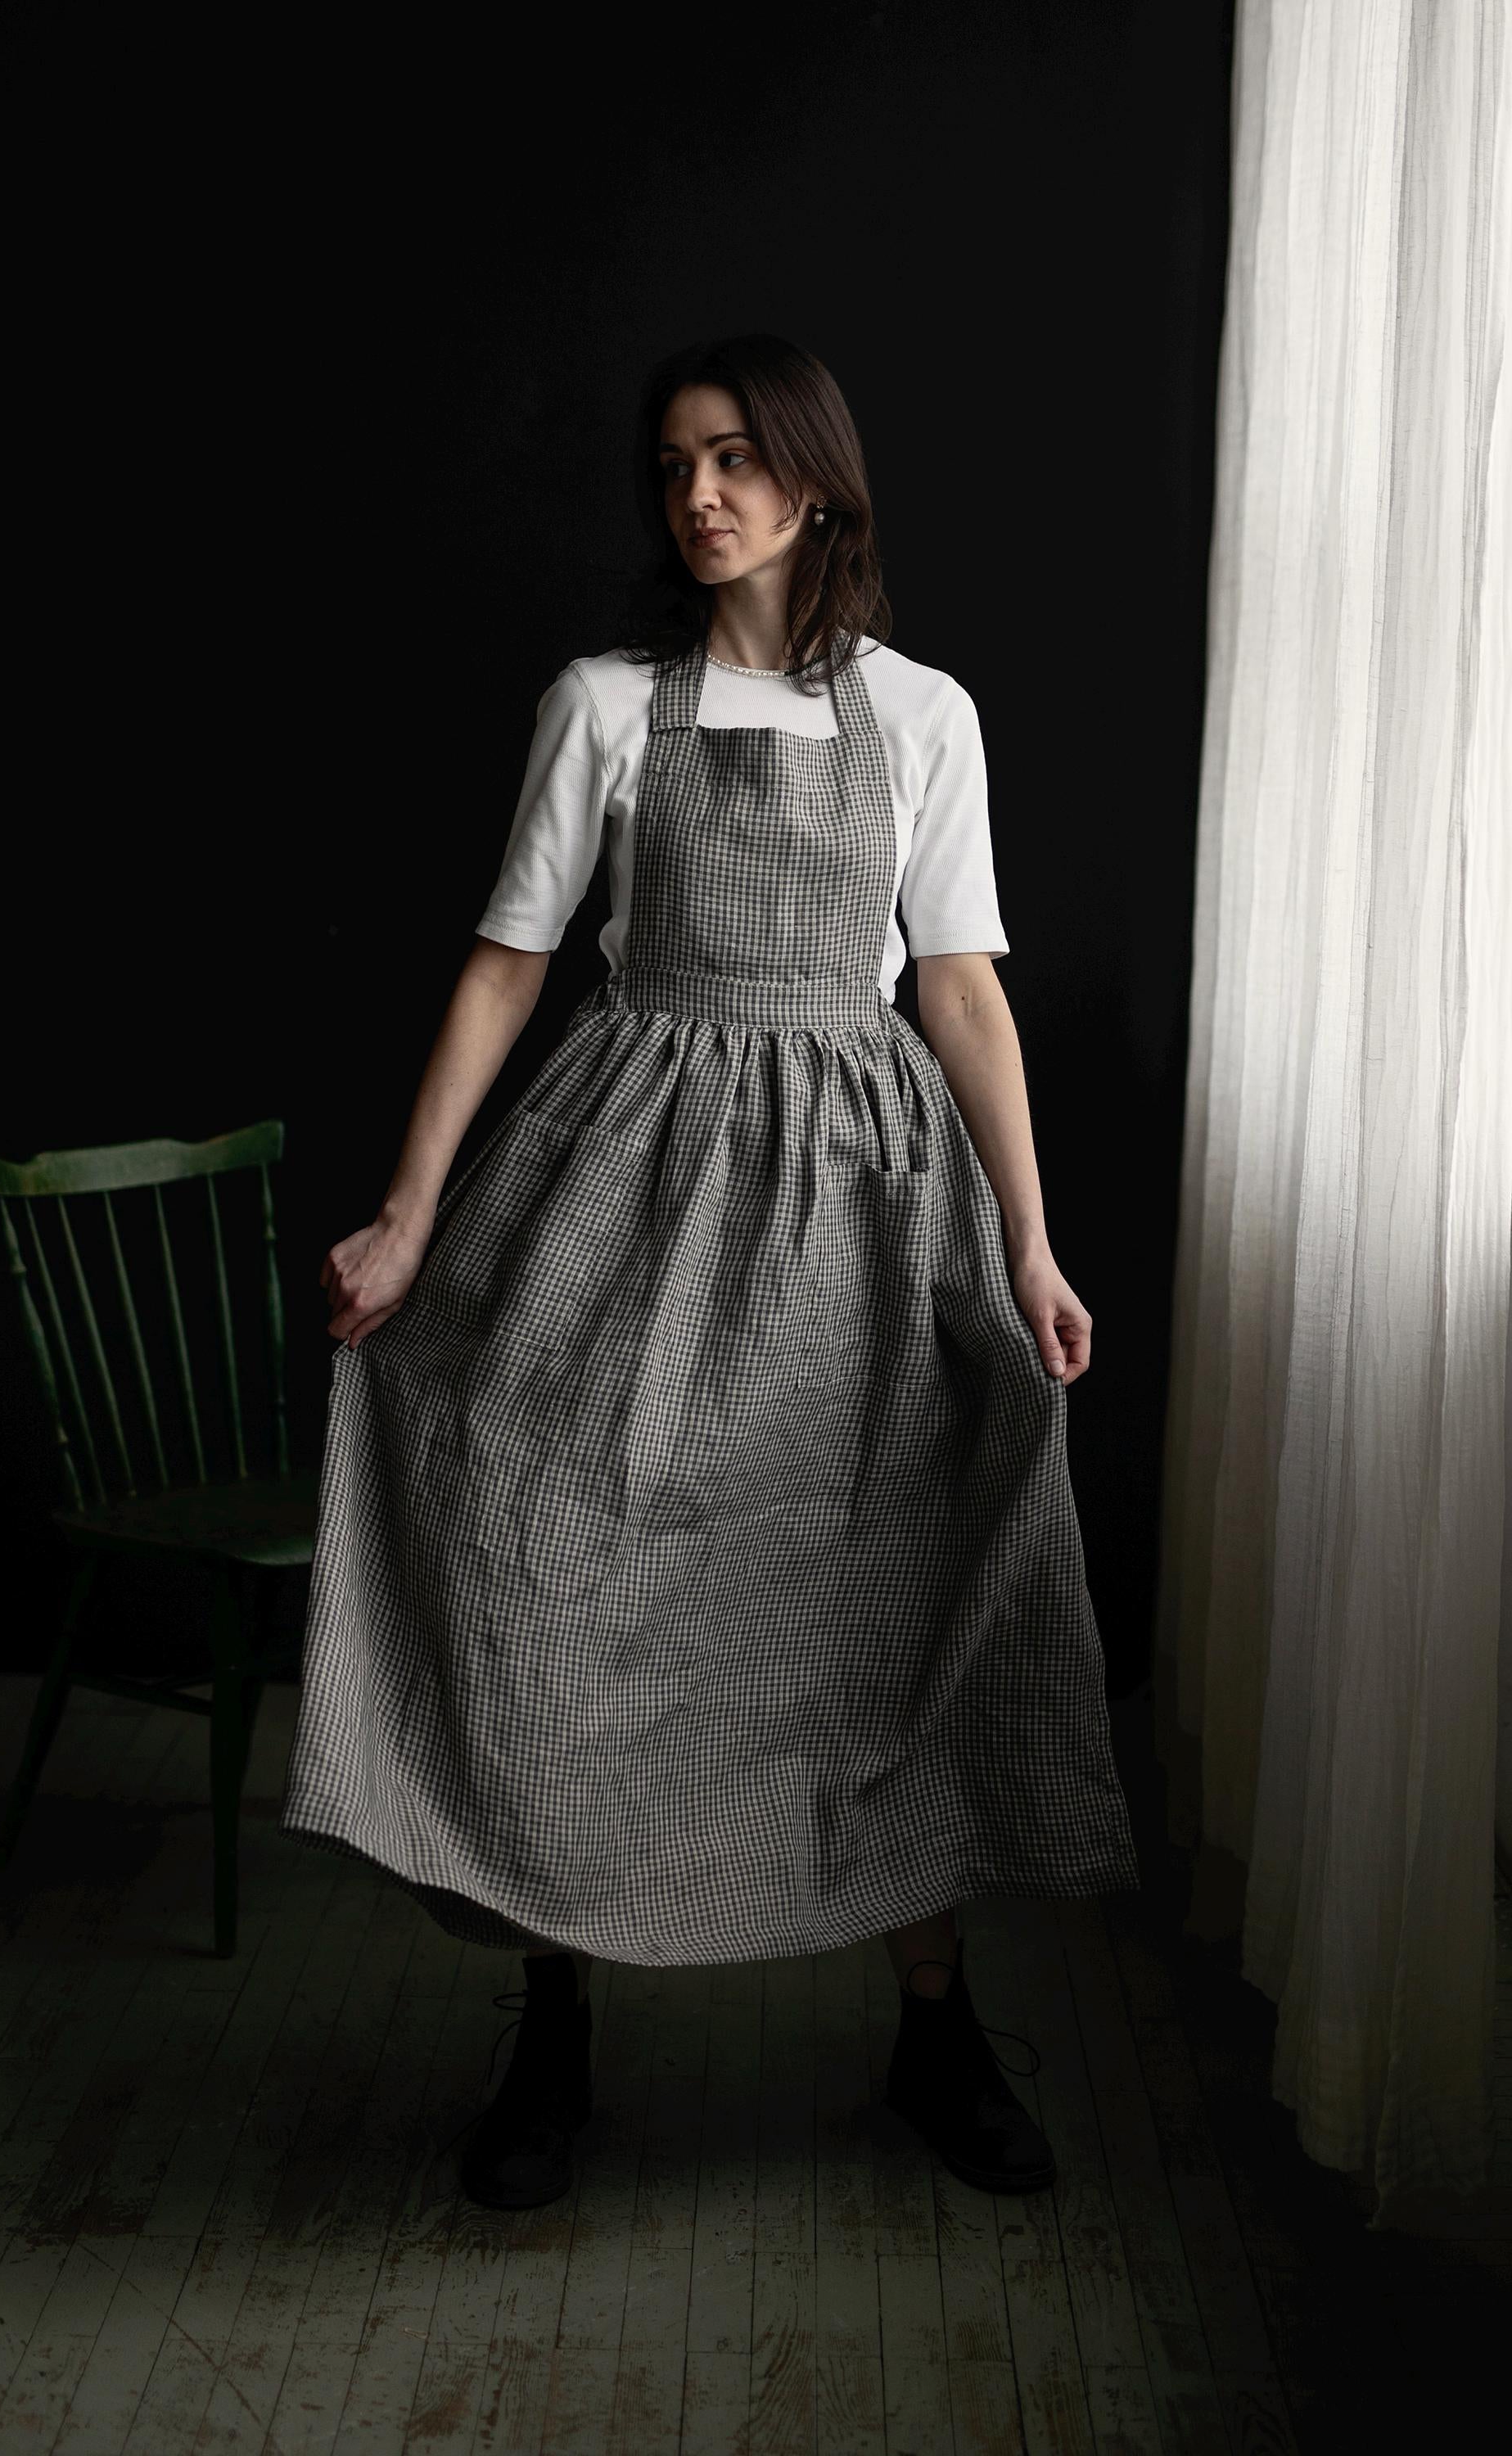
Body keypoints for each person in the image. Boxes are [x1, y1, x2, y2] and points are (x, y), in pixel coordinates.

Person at [278, 332, 1140, 2212]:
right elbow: (509, 962)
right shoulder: (601, 704)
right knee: (558, 1578)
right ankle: (553, 2020)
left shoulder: (922, 713)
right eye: (673, 464)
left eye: (737, 458)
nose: (699, 494)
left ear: (817, 482)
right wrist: (412, 1214)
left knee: (883, 1601)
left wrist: (1027, 1237)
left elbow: (959, 990)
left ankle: (934, 2029)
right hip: (627, 1177)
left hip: (859, 1201)